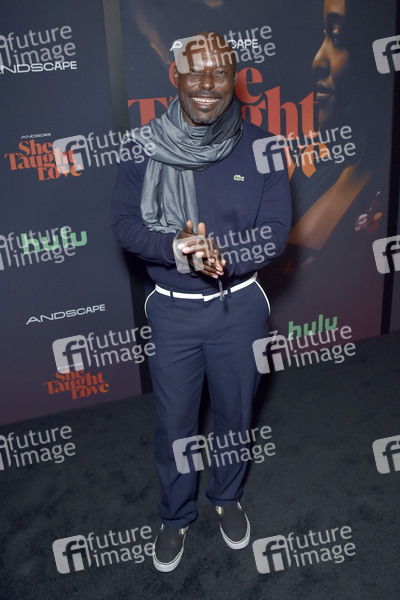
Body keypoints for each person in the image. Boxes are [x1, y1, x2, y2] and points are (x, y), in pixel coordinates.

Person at [112, 31, 291, 572]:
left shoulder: (263, 146)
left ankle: (227, 496)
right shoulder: (143, 146)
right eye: (195, 71)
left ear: (234, 78)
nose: (207, 84)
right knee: (175, 424)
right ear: (176, 76)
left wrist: (222, 257)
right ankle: (175, 516)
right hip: (172, 310)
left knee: (236, 413)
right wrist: (173, 247)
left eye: (220, 72)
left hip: (239, 306)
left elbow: (275, 232)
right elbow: (125, 224)